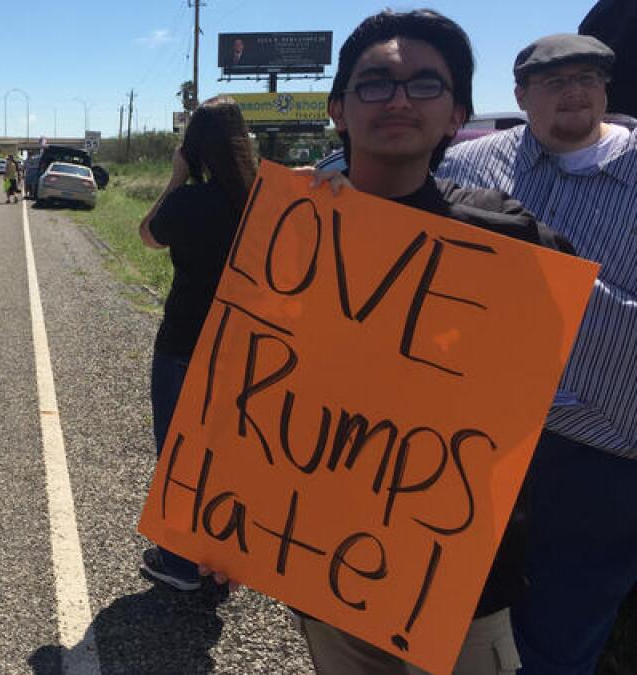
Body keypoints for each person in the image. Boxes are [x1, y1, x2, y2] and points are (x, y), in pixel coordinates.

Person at [205, 9, 574, 674]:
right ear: (338, 109)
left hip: (458, 582)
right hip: (325, 563)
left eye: (425, 85)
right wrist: (223, 522)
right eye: (375, 83)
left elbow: (544, 366)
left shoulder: (506, 238)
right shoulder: (290, 230)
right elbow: (247, 383)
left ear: (456, 113)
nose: (399, 99)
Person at [435, 33, 637, 675]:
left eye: (587, 78)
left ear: (606, 89)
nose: (573, 92)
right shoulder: (473, 166)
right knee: (451, 614)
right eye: (553, 82)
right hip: (479, 434)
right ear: (521, 96)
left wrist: (550, 275)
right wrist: (339, 184)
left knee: (559, 632)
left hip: (600, 451)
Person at [136, 98, 258, 592]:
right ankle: (223, 562)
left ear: (194, 149)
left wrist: (176, 178)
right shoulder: (265, 199)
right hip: (248, 353)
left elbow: (147, 236)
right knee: (230, 456)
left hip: (185, 346)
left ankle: (183, 564)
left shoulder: (189, 202)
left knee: (180, 454)